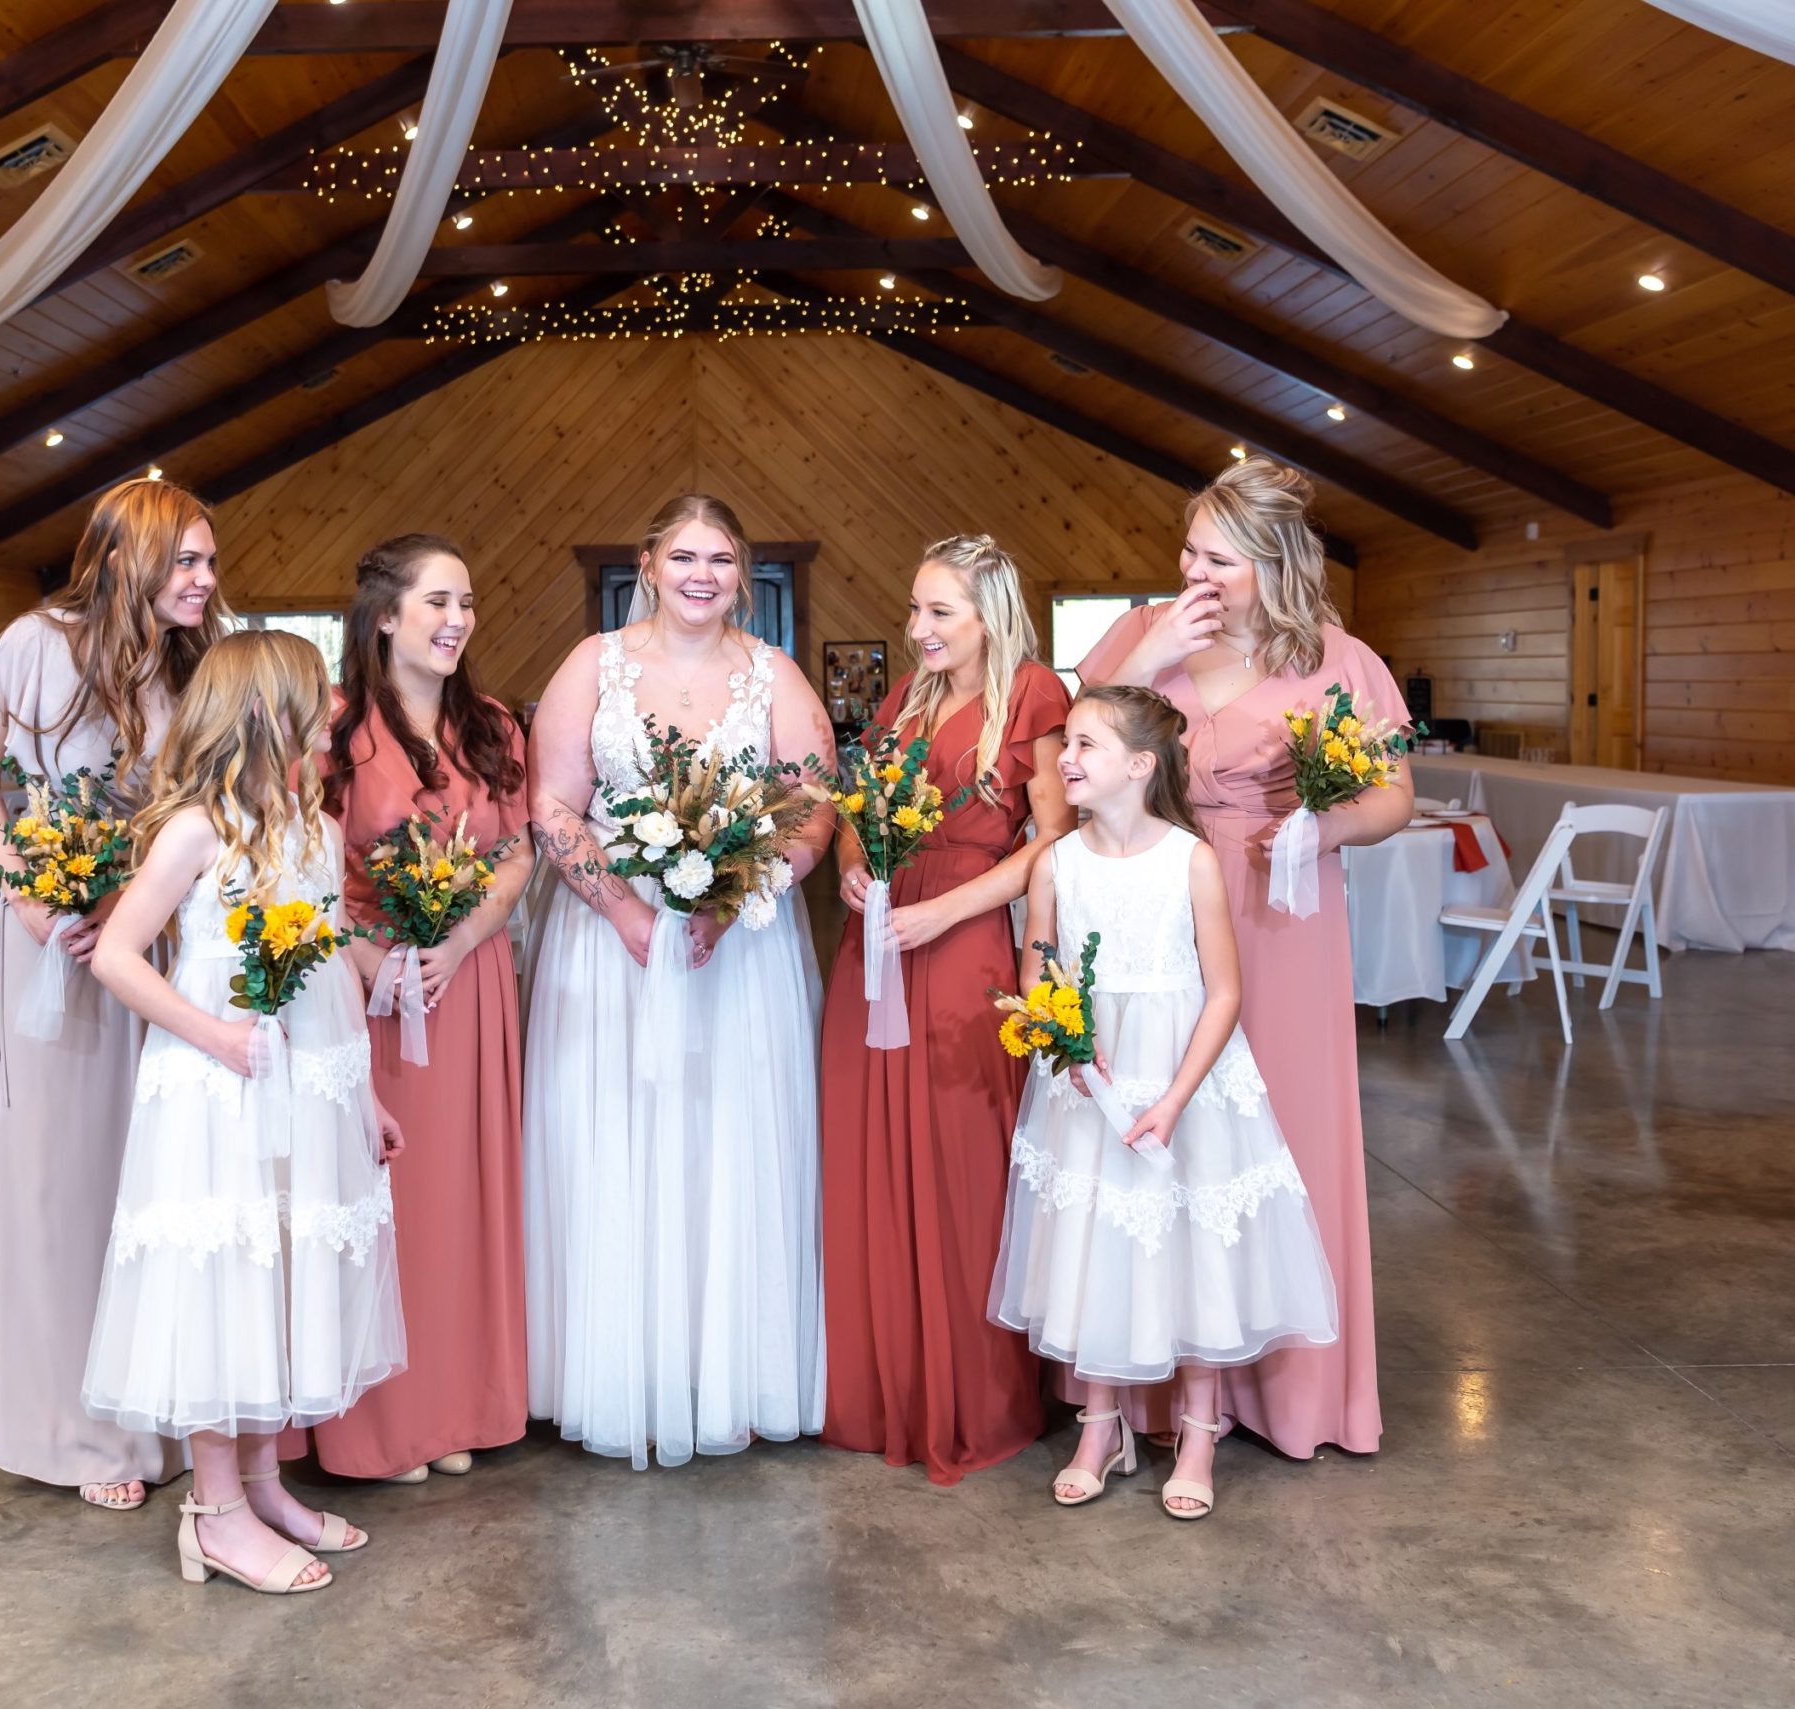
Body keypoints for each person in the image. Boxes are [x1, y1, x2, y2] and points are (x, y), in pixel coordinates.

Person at [1075, 458, 1412, 1461]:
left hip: (1282, 913)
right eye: (1187, 549)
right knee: (1155, 1128)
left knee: (1281, 1141)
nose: (1192, 570)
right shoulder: (1144, 632)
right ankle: (1144, 1395)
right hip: (1155, 902)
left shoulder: (1338, 657)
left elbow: (1394, 794)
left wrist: (1329, 826)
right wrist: (1148, 653)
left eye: (1215, 557)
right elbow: (1075, 740)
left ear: (1271, 563)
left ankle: (1286, 1392)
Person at [81, 629, 407, 1595]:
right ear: (268, 708)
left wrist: (365, 1094)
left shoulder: (307, 818)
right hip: (217, 1089)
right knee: (228, 1282)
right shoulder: (197, 828)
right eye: (318, 695)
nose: (335, 710)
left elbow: (328, 971)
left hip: (302, 1089)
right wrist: (213, 1036)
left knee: (284, 1273)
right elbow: (116, 955)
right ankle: (213, 1512)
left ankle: (263, 1483)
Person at [523, 493, 838, 1469]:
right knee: (614, 1136)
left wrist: (734, 893)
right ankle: (615, 1373)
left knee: (730, 1140)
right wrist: (623, 909)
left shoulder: (774, 673)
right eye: (685, 555)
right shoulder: (592, 664)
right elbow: (554, 802)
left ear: (742, 574)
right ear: (648, 563)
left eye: (723, 558)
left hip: (737, 948)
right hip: (608, 943)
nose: (703, 573)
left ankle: (732, 1372)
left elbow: (812, 807)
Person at [990, 686, 1339, 1518]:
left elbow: (1223, 991)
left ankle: (1198, 1430)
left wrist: (1177, 1099)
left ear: (1141, 767)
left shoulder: (1190, 859)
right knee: (1097, 1237)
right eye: (1065, 743)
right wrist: (1057, 1034)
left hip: (1188, 1080)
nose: (1065, 758)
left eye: (1084, 745)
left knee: (1193, 1244)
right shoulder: (1055, 862)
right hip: (1090, 1079)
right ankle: (1100, 1424)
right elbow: (1037, 967)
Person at [0, 478, 229, 1510]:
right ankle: (75, 1431)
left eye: (208, 562)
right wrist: (26, 890)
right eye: (187, 562)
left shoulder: (191, 658)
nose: (204, 579)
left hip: (157, 939)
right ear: (125, 559)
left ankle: (165, 1410)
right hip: (55, 935)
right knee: (62, 1182)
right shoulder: (32, 643)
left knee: (152, 1176)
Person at [818, 534, 1073, 1485]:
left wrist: (947, 911)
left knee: (962, 1158)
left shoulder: (1036, 695)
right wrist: (851, 866)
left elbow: (1052, 840)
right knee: (871, 1155)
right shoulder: (905, 699)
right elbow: (855, 805)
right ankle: (883, 1388)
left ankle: (972, 1393)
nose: (918, 628)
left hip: (962, 942)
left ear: (988, 615)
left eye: (940, 612)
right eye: (916, 609)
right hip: (875, 943)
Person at [308, 534, 533, 1485]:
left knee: (464, 1200)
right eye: (439, 602)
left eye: (468, 604)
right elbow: (304, 871)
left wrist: (465, 939)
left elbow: (519, 851)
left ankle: (460, 1407)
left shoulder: (490, 724)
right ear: (387, 617)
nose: (458, 621)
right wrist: (374, 962)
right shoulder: (332, 729)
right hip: (371, 991)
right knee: (389, 1204)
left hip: (469, 985)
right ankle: (386, 1424)